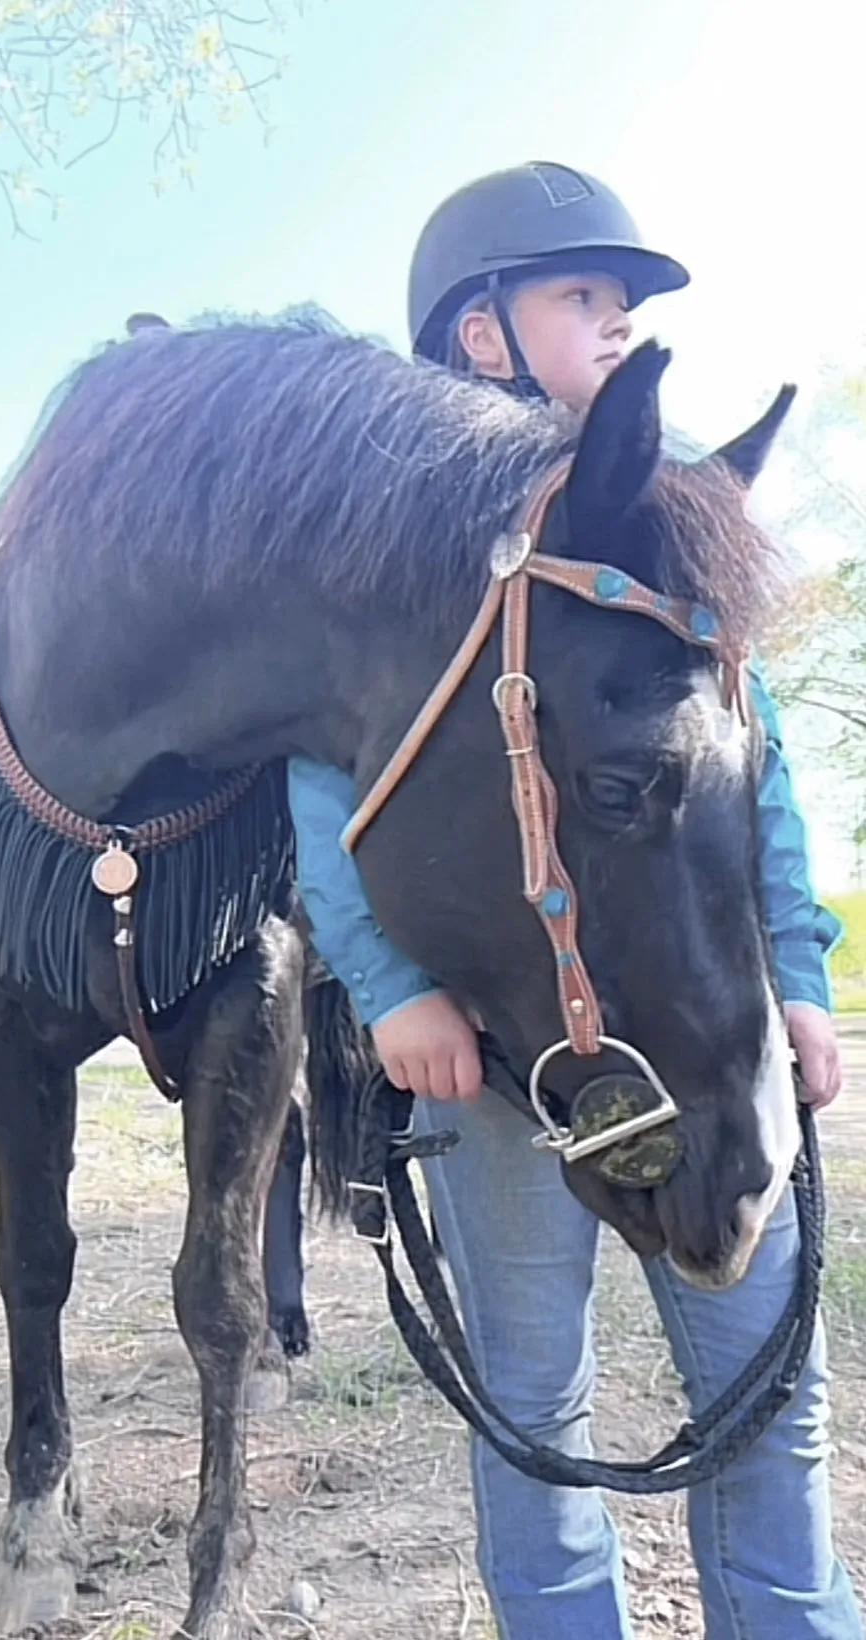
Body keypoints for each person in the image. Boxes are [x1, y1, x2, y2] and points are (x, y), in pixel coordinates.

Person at [287, 162, 862, 1640]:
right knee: (532, 1416)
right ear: (480, 332)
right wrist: (388, 983)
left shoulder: (669, 531)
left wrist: (796, 971)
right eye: (582, 297)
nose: (614, 325)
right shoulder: (385, 553)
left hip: (701, 1033)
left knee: (768, 1400)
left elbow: (752, 778)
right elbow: (321, 781)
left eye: (622, 307)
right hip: (499, 1064)